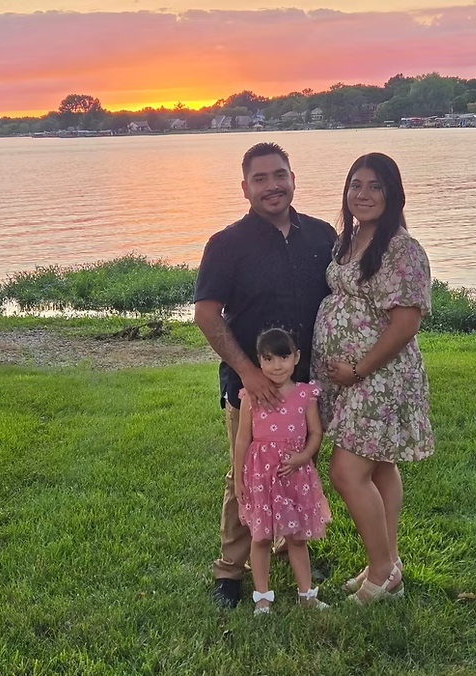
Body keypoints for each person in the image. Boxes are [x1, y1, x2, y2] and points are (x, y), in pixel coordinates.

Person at [194, 142, 336, 608]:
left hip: (304, 388)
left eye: (279, 175)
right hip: (250, 387)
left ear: (294, 178)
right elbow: (207, 315)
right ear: (244, 188)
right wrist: (246, 372)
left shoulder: (322, 236)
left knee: (297, 467)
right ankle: (230, 572)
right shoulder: (226, 244)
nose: (272, 186)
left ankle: (287, 541)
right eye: (260, 178)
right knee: (246, 474)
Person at [311, 152, 434, 605]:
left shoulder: (402, 249)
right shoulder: (350, 240)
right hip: (349, 378)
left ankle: (383, 575)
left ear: (393, 193)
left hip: (379, 377)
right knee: (381, 465)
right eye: (355, 185)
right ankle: (387, 560)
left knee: (346, 472)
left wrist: (358, 369)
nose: (363, 195)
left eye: (375, 186)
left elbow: (405, 324)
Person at [233, 328, 331, 615]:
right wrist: (238, 477)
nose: (277, 365)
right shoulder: (251, 396)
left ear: (297, 357)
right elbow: (242, 439)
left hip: (295, 477)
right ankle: (262, 597)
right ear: (259, 362)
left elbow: (315, 433)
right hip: (260, 477)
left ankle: (307, 594)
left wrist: (302, 457)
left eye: (284, 357)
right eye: (269, 359)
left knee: (297, 538)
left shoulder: (305, 394)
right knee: (260, 537)